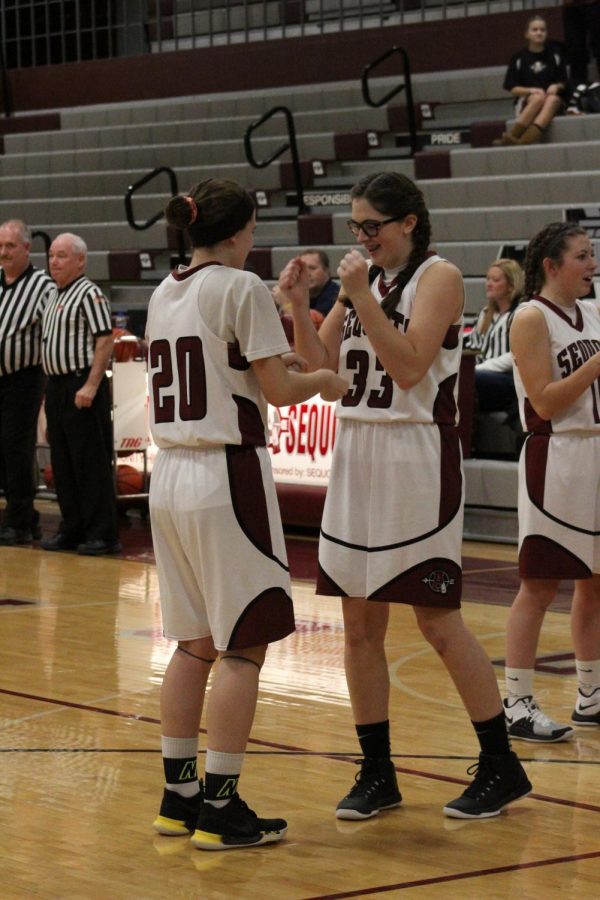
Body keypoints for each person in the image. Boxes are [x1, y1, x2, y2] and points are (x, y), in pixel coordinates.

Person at [278, 171, 531, 820]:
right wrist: (297, 305)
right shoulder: (367, 281)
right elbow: (316, 368)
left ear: (409, 223)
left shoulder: (438, 277)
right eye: (355, 227)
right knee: (359, 624)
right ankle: (377, 771)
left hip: (417, 454)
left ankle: (500, 761)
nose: (362, 238)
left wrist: (358, 296)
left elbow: (412, 365)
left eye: (373, 226)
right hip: (357, 452)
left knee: (436, 620)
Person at [146, 178, 348, 850]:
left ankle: (179, 796)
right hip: (225, 471)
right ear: (240, 232)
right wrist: (323, 381)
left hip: (169, 473)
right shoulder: (239, 287)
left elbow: (221, 367)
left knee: (193, 641)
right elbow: (284, 392)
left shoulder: (164, 290)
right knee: (243, 643)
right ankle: (222, 805)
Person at [504, 221, 600, 742]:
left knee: (596, 582)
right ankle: (517, 702)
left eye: (592, 255)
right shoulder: (530, 317)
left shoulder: (593, 311)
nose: (592, 265)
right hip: (556, 455)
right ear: (551, 266)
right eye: (582, 257)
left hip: (596, 453)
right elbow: (544, 400)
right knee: (539, 586)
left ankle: (592, 695)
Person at [40, 233, 121, 556]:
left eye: (61, 256)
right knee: (62, 464)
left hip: (81, 385)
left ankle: (103, 533)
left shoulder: (90, 294)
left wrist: (90, 384)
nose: (54, 262)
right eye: (51, 256)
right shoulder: (54, 295)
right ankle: (72, 529)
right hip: (58, 387)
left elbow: (105, 341)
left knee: (90, 464)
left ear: (80, 261)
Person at [0, 220, 53, 546]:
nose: (3, 252)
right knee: (2, 450)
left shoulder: (42, 286)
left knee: (16, 448)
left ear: (26, 248)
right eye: (0, 246)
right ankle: (23, 516)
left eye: (10, 246)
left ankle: (19, 520)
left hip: (24, 378)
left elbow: (55, 328)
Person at [496, 15, 568, 146]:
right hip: (529, 102)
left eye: (542, 30)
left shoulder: (556, 55)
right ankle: (514, 135)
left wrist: (557, 86)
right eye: (534, 30)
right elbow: (511, 87)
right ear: (526, 34)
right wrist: (530, 90)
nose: (539, 33)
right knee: (537, 98)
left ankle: (523, 142)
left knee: (552, 99)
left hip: (551, 103)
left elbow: (564, 82)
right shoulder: (518, 58)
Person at [466, 258, 524, 414]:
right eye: (488, 279)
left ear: (511, 285)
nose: (489, 284)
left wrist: (477, 369)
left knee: (470, 380)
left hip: (508, 378)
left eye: (496, 280)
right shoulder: (485, 313)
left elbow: (515, 356)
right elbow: (473, 347)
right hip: (482, 374)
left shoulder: (520, 314)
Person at [563, 0, 600, 89]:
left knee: (598, 46)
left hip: (594, 4)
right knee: (574, 48)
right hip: (571, 7)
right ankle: (578, 88)